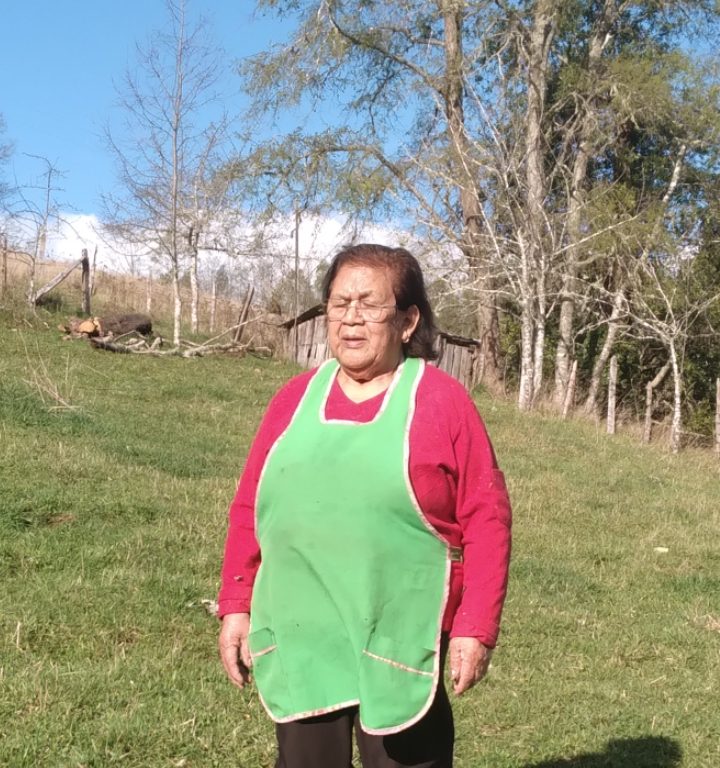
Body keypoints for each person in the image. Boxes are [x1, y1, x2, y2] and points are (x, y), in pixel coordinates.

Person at [218, 244, 511, 768]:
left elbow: (487, 518)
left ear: (407, 321)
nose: (351, 317)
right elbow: (250, 508)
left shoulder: (444, 403)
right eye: (339, 303)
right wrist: (237, 604)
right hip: (303, 629)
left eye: (369, 304)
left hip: (400, 628)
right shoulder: (291, 401)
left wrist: (475, 626)